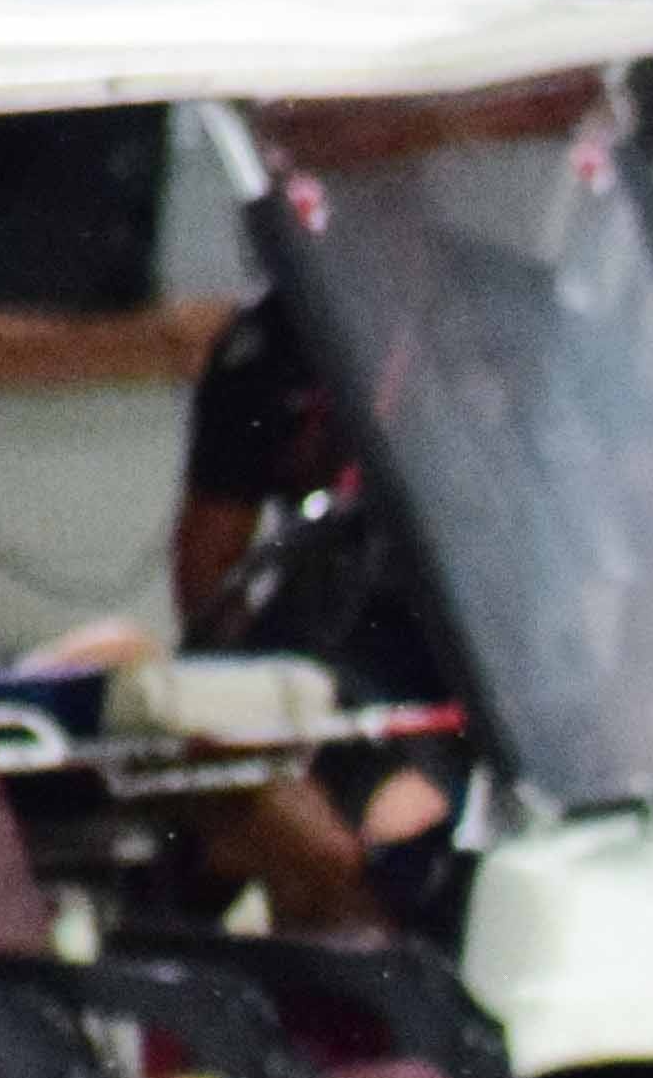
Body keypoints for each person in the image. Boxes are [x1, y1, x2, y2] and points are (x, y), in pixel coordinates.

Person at [172, 276, 461, 935]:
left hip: (480, 660)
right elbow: (209, 571)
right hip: (335, 659)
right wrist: (263, 712)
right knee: (387, 828)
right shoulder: (274, 340)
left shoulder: (498, 311)